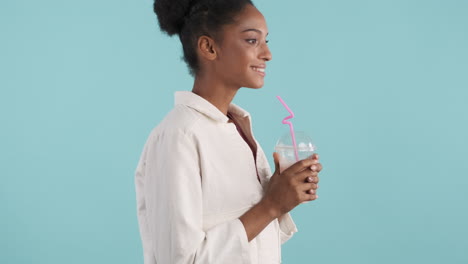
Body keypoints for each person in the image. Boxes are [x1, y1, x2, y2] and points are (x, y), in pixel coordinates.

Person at [134, 0, 323, 263]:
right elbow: (180, 259)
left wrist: (284, 196)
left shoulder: (238, 126)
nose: (267, 54)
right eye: (251, 41)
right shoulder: (179, 136)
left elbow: (251, 246)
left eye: (266, 41)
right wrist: (271, 206)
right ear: (209, 47)